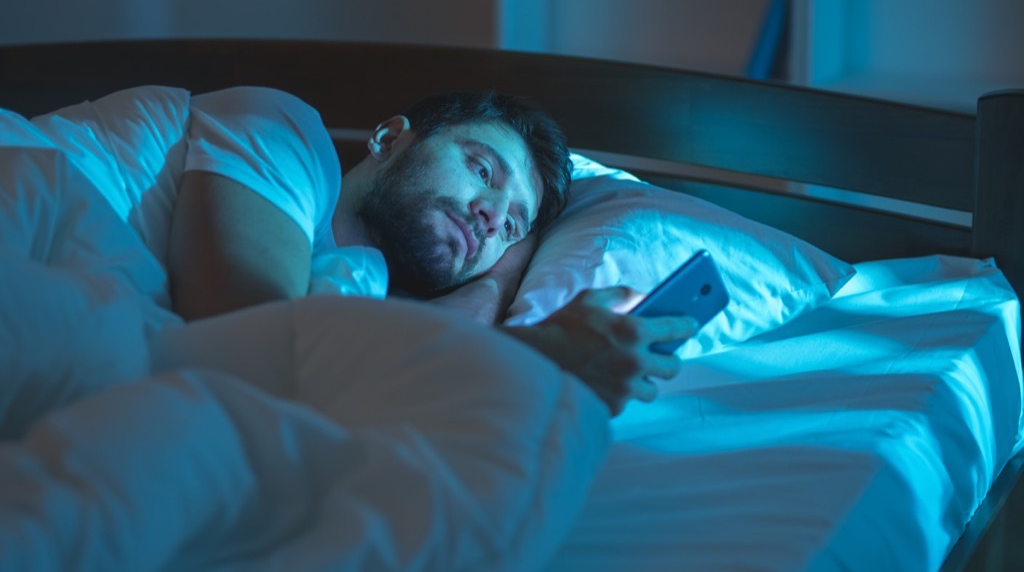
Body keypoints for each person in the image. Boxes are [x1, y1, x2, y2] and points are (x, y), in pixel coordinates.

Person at [26, 85, 698, 414]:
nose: (491, 217)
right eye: (482, 169)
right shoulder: (285, 132)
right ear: (389, 136)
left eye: (512, 227)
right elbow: (246, 360)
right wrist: (536, 355)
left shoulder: (356, 287)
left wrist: (498, 284)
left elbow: (351, 371)